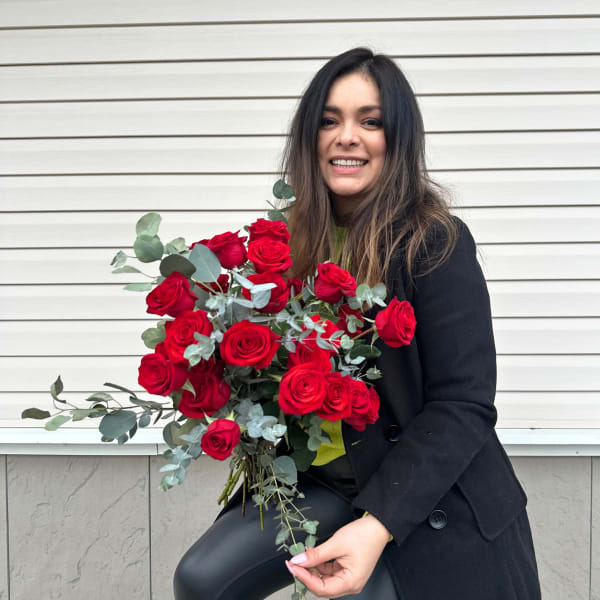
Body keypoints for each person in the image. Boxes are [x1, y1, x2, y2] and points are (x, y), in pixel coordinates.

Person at [173, 47, 542, 600]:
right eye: (330, 121)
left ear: (398, 139)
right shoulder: (287, 246)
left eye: (370, 121)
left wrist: (376, 526)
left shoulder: (434, 242)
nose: (347, 137)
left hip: (427, 484)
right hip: (322, 479)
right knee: (202, 580)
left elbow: (463, 405)